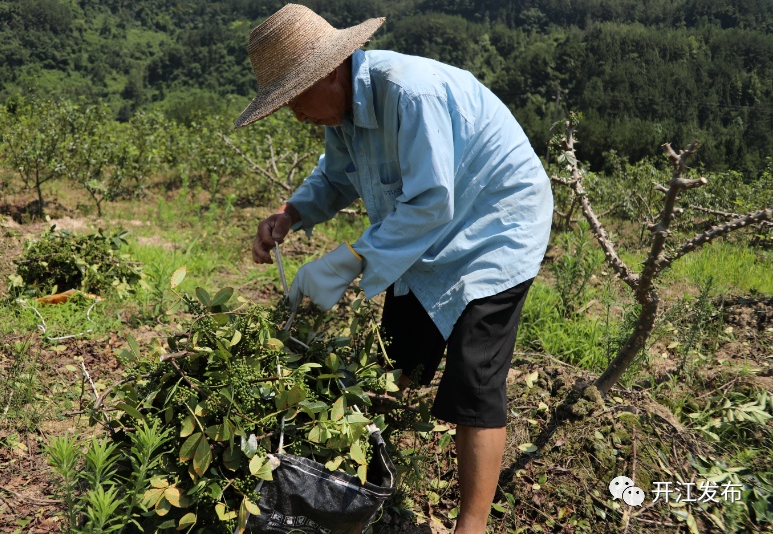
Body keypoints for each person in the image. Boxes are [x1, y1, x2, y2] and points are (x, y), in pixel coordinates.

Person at [235, 5, 552, 533]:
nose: (296, 115)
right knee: (397, 356)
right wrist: (289, 215)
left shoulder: (410, 92)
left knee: (474, 379)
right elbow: (335, 177)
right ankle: (363, 462)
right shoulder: (342, 113)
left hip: (496, 226)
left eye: (294, 100)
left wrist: (351, 260)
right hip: (426, 237)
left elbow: (431, 201)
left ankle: (471, 526)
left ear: (329, 73)